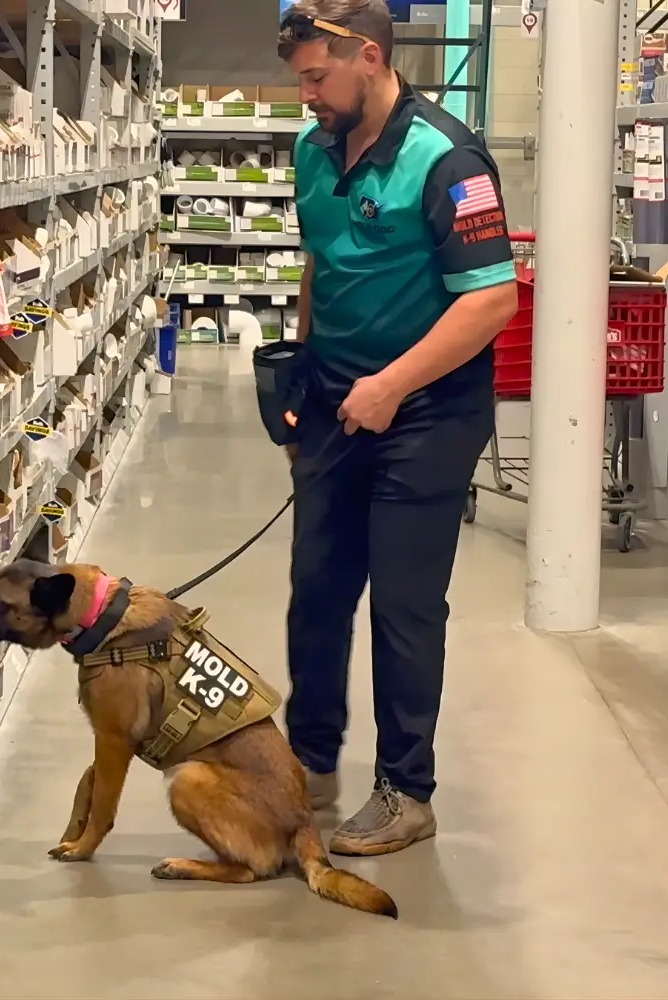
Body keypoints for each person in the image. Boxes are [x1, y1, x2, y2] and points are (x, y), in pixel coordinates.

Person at [277, 0, 519, 856]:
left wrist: (390, 385)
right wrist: (302, 376)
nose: (307, 95)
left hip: (428, 410)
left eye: (317, 77)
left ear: (370, 58)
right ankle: (309, 764)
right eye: (301, 79)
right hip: (339, 401)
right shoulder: (312, 148)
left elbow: (492, 300)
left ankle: (406, 790)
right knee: (317, 588)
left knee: (404, 605)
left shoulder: (448, 159)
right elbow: (320, 266)